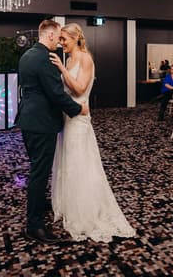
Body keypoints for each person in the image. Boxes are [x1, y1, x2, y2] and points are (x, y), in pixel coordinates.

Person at [49, 23, 135, 242]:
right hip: (67, 117)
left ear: (76, 38)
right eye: (59, 40)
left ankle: (86, 212)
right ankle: (71, 206)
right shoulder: (69, 59)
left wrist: (61, 69)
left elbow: (79, 88)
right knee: (68, 162)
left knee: (80, 163)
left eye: (64, 40)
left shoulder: (85, 59)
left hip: (79, 119)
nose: (61, 44)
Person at [17, 20, 89, 244]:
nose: (59, 42)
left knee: (37, 169)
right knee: (39, 173)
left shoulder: (27, 55)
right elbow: (56, 94)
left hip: (28, 120)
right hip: (42, 123)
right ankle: (34, 225)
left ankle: (38, 205)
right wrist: (78, 109)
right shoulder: (45, 59)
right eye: (58, 37)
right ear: (49, 36)